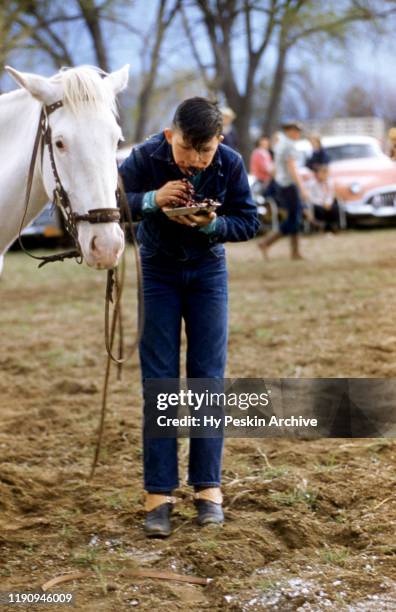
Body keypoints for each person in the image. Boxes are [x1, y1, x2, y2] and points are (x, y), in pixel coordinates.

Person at [119, 97, 259, 537]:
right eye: (186, 150)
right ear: (169, 136)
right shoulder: (143, 158)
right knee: (159, 381)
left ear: (220, 140)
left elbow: (249, 221)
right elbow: (110, 205)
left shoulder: (231, 163)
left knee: (207, 380)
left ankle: (207, 489)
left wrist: (212, 226)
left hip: (208, 274)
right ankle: (158, 495)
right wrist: (150, 200)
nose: (196, 161)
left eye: (206, 151)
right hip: (157, 273)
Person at [257, 121, 309, 260]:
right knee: (294, 219)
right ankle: (266, 243)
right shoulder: (289, 145)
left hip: (281, 185)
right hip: (289, 186)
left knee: (294, 217)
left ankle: (295, 252)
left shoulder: (280, 144)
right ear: (289, 131)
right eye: (296, 131)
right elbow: (292, 168)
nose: (298, 133)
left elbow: (273, 168)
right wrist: (302, 187)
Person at [305, 165, 340, 232]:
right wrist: (322, 203)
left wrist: (328, 203)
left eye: (326, 173)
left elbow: (330, 194)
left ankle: (333, 226)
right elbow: (310, 197)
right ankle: (321, 227)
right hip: (317, 203)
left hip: (327, 203)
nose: (325, 175)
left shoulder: (329, 183)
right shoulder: (311, 184)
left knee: (335, 208)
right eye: (322, 173)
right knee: (319, 210)